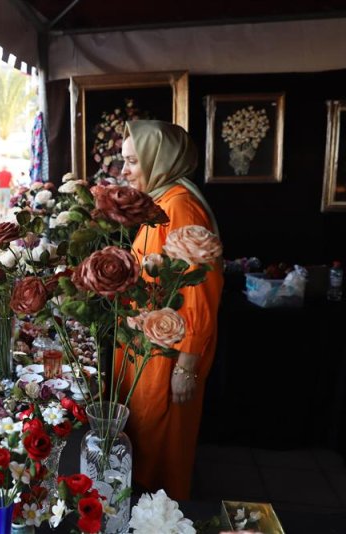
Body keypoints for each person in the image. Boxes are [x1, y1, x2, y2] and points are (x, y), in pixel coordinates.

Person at [116, 120, 224, 500]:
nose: (123, 171)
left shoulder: (180, 207)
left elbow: (200, 294)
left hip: (166, 358)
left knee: (160, 455)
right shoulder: (162, 202)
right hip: (149, 351)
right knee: (145, 445)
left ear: (159, 159)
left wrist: (186, 366)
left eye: (132, 161)